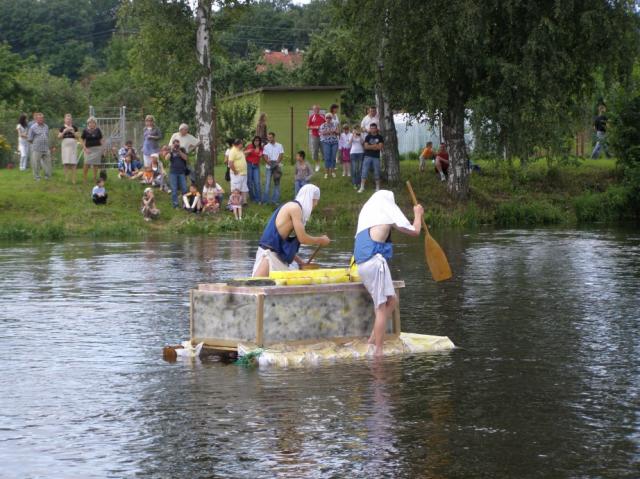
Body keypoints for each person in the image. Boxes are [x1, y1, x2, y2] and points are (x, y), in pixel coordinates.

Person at [353, 190, 423, 357]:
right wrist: (418, 214)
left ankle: (372, 340)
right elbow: (415, 231)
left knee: (392, 301)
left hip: (363, 264)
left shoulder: (369, 214)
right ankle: (378, 351)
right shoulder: (385, 211)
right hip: (374, 263)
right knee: (381, 308)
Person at [252, 184, 330, 277]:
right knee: (255, 287)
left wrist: (301, 262)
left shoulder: (295, 208)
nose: (315, 205)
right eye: (315, 201)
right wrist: (321, 240)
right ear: (310, 199)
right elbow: (302, 238)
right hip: (268, 256)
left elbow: (282, 244)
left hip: (274, 254)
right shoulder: (295, 208)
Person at [358, 123, 384, 193]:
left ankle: (377, 188)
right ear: (370, 129)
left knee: (377, 171)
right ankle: (362, 187)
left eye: (373, 128)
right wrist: (375, 146)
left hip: (376, 157)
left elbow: (380, 147)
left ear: (376, 129)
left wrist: (371, 146)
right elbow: (366, 147)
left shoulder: (380, 137)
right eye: (371, 128)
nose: (372, 129)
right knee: (364, 171)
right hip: (367, 156)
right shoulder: (367, 137)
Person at [27, 112, 52, 181]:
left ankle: (47, 176)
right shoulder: (33, 127)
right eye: (39, 118)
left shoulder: (46, 126)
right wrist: (35, 144)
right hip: (37, 148)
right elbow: (29, 139)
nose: (41, 119)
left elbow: (47, 136)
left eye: (42, 118)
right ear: (36, 119)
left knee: (48, 163)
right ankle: (37, 177)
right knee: (36, 164)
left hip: (46, 148)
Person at [262, 132, 284, 206]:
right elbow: (265, 156)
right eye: (268, 137)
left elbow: (281, 155)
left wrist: (277, 163)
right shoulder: (266, 146)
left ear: (274, 137)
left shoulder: (279, 145)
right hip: (269, 167)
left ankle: (275, 200)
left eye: (271, 137)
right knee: (267, 183)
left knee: (277, 184)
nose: (269, 139)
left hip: (277, 167)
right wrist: (269, 163)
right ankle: (266, 201)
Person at [166, 138, 189, 208]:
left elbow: (186, 158)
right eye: (175, 144)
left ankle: (185, 204)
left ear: (179, 144)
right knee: (174, 190)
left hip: (181, 172)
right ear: (172, 144)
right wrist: (171, 151)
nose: (176, 145)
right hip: (173, 173)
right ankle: (175, 205)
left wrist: (179, 151)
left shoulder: (182, 150)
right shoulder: (171, 151)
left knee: (184, 189)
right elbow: (166, 158)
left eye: (177, 144)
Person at [81, 116, 104, 182]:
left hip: (97, 149)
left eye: (93, 123)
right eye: (90, 123)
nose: (91, 124)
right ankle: (84, 178)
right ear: (88, 123)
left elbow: (101, 139)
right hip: (88, 149)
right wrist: (84, 148)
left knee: (96, 164)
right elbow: (82, 140)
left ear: (95, 124)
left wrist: (102, 149)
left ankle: (94, 178)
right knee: (86, 163)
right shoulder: (85, 130)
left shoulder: (98, 130)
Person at [58, 114, 79, 183]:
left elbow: (78, 137)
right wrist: (65, 131)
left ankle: (74, 179)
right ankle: (66, 178)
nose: (68, 120)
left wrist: (73, 131)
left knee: (73, 162)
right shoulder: (62, 127)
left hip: (73, 146)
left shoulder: (74, 127)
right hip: (65, 146)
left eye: (70, 119)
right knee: (66, 162)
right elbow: (59, 137)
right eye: (67, 119)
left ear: (71, 120)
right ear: (65, 120)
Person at [228, 138, 249, 205]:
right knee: (235, 188)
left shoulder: (240, 150)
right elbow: (230, 163)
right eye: (241, 144)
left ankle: (244, 202)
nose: (242, 145)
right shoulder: (233, 151)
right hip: (237, 174)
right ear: (238, 144)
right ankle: (233, 202)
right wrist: (235, 171)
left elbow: (241, 158)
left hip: (243, 173)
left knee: (244, 187)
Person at [319, 113, 339, 179]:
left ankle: (332, 171)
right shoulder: (322, 125)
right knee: (327, 157)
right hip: (326, 143)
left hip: (335, 142)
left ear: (331, 118)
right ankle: (326, 172)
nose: (328, 119)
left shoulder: (334, 124)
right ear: (325, 118)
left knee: (333, 157)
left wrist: (332, 131)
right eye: (327, 117)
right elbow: (322, 133)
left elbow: (338, 132)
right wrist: (331, 131)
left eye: (329, 117)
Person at [244, 136, 262, 203]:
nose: (256, 142)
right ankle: (252, 198)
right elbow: (244, 152)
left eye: (258, 141)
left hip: (256, 166)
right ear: (253, 141)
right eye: (255, 140)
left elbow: (261, 154)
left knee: (257, 182)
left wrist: (260, 153)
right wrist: (248, 151)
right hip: (249, 165)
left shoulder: (261, 148)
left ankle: (258, 199)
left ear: (259, 141)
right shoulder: (250, 146)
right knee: (249, 182)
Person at [306, 105, 325, 172]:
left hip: (323, 136)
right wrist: (316, 127)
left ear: (319, 110)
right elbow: (307, 127)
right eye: (315, 109)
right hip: (315, 136)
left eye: (317, 109)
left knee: (324, 151)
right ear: (313, 110)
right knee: (315, 151)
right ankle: (317, 165)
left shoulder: (323, 116)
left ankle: (326, 166)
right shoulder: (311, 117)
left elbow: (326, 124)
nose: (316, 110)